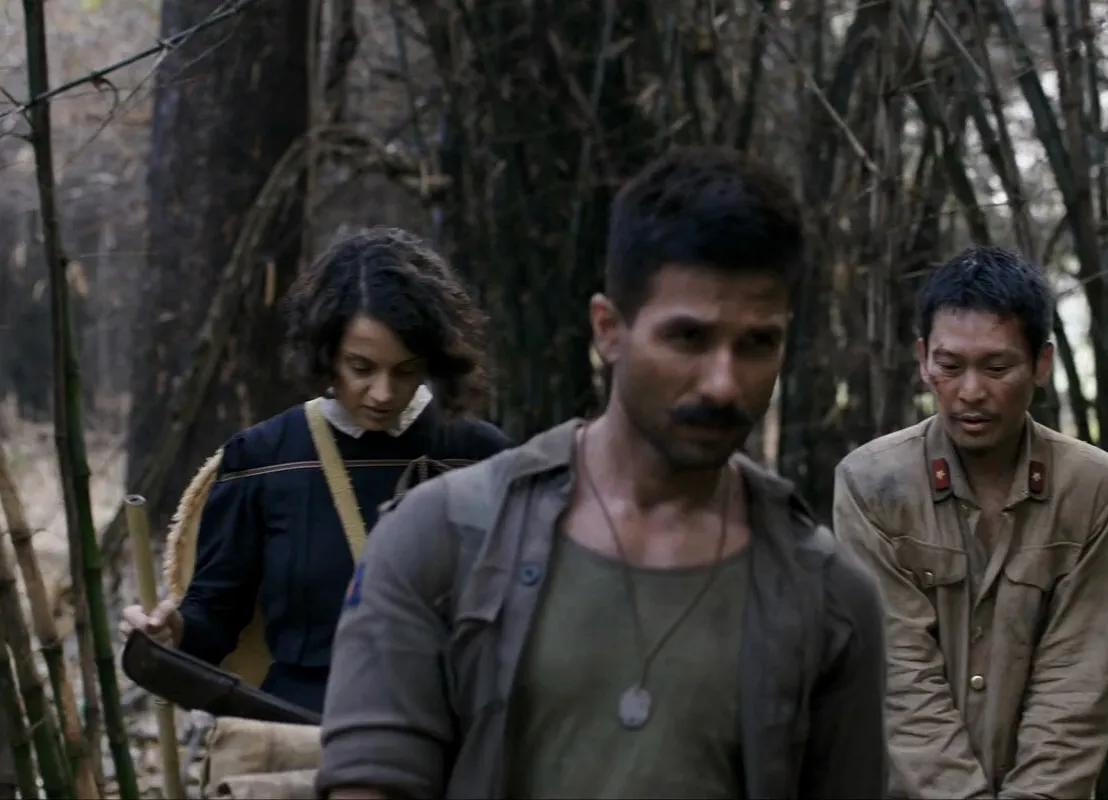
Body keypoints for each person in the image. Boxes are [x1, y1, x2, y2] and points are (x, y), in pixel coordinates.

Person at [316, 147, 889, 799]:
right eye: (689, 339)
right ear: (609, 330)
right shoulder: (441, 540)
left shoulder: (828, 598)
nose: (723, 383)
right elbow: (372, 779)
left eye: (758, 345)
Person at [118, 227, 512, 714]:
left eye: (406, 370)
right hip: (304, 729)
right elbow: (213, 622)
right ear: (326, 355)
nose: (383, 393)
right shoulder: (263, 459)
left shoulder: (481, 458)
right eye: (361, 368)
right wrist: (170, 632)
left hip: (448, 726)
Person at [833, 246, 1108, 799]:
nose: (971, 391)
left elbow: (1075, 687)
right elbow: (901, 680)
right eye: (950, 367)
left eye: (997, 368)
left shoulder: (1096, 491)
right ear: (923, 360)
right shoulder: (871, 484)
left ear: (1041, 364)